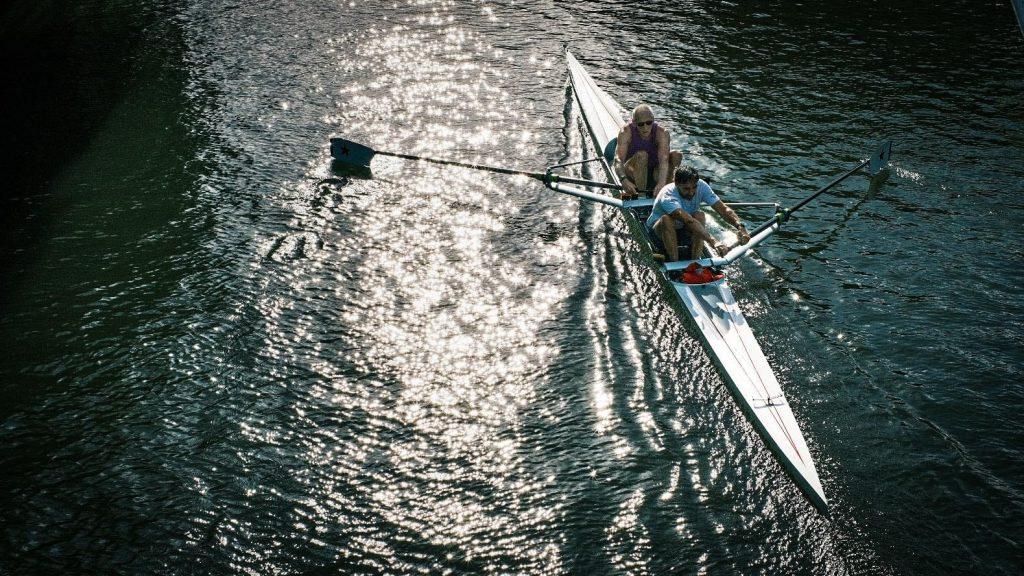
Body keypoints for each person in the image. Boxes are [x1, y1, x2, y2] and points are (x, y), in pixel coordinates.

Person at [645, 165, 751, 262]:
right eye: (686, 189)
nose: (691, 192)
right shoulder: (668, 195)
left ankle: (696, 262)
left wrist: (740, 227)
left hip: (682, 229)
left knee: (699, 215)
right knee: (666, 219)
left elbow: (723, 209)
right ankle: (674, 264)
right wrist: (714, 242)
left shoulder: (701, 185)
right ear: (676, 184)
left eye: (694, 187)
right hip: (658, 233)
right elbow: (688, 221)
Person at [614, 104, 682, 200]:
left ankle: (666, 192)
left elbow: (664, 160)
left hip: (653, 172)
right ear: (634, 123)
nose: (645, 128)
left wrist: (661, 183)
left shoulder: (662, 133)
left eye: (649, 123)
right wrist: (623, 179)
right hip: (632, 171)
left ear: (653, 120)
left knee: (677, 155)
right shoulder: (625, 132)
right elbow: (618, 159)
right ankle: (641, 197)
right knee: (642, 155)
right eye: (641, 124)